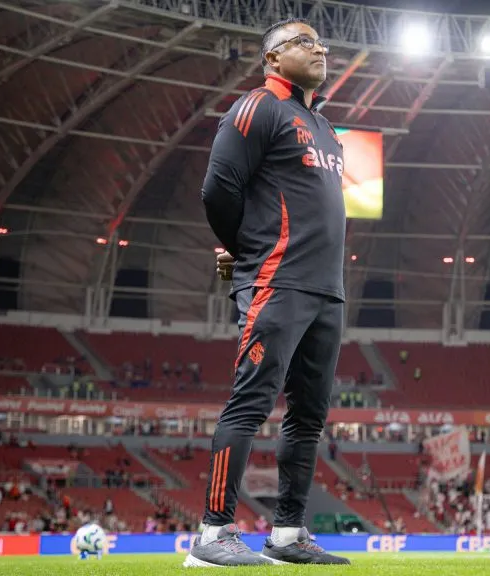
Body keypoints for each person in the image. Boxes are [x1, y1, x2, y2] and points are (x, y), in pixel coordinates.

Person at [185, 16, 349, 568]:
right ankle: (212, 535)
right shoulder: (258, 106)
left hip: (326, 290)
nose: (319, 49)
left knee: (309, 416)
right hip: (277, 280)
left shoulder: (324, 127)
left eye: (321, 42)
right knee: (251, 403)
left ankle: (287, 535)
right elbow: (218, 190)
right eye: (304, 41)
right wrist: (248, 251)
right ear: (273, 57)